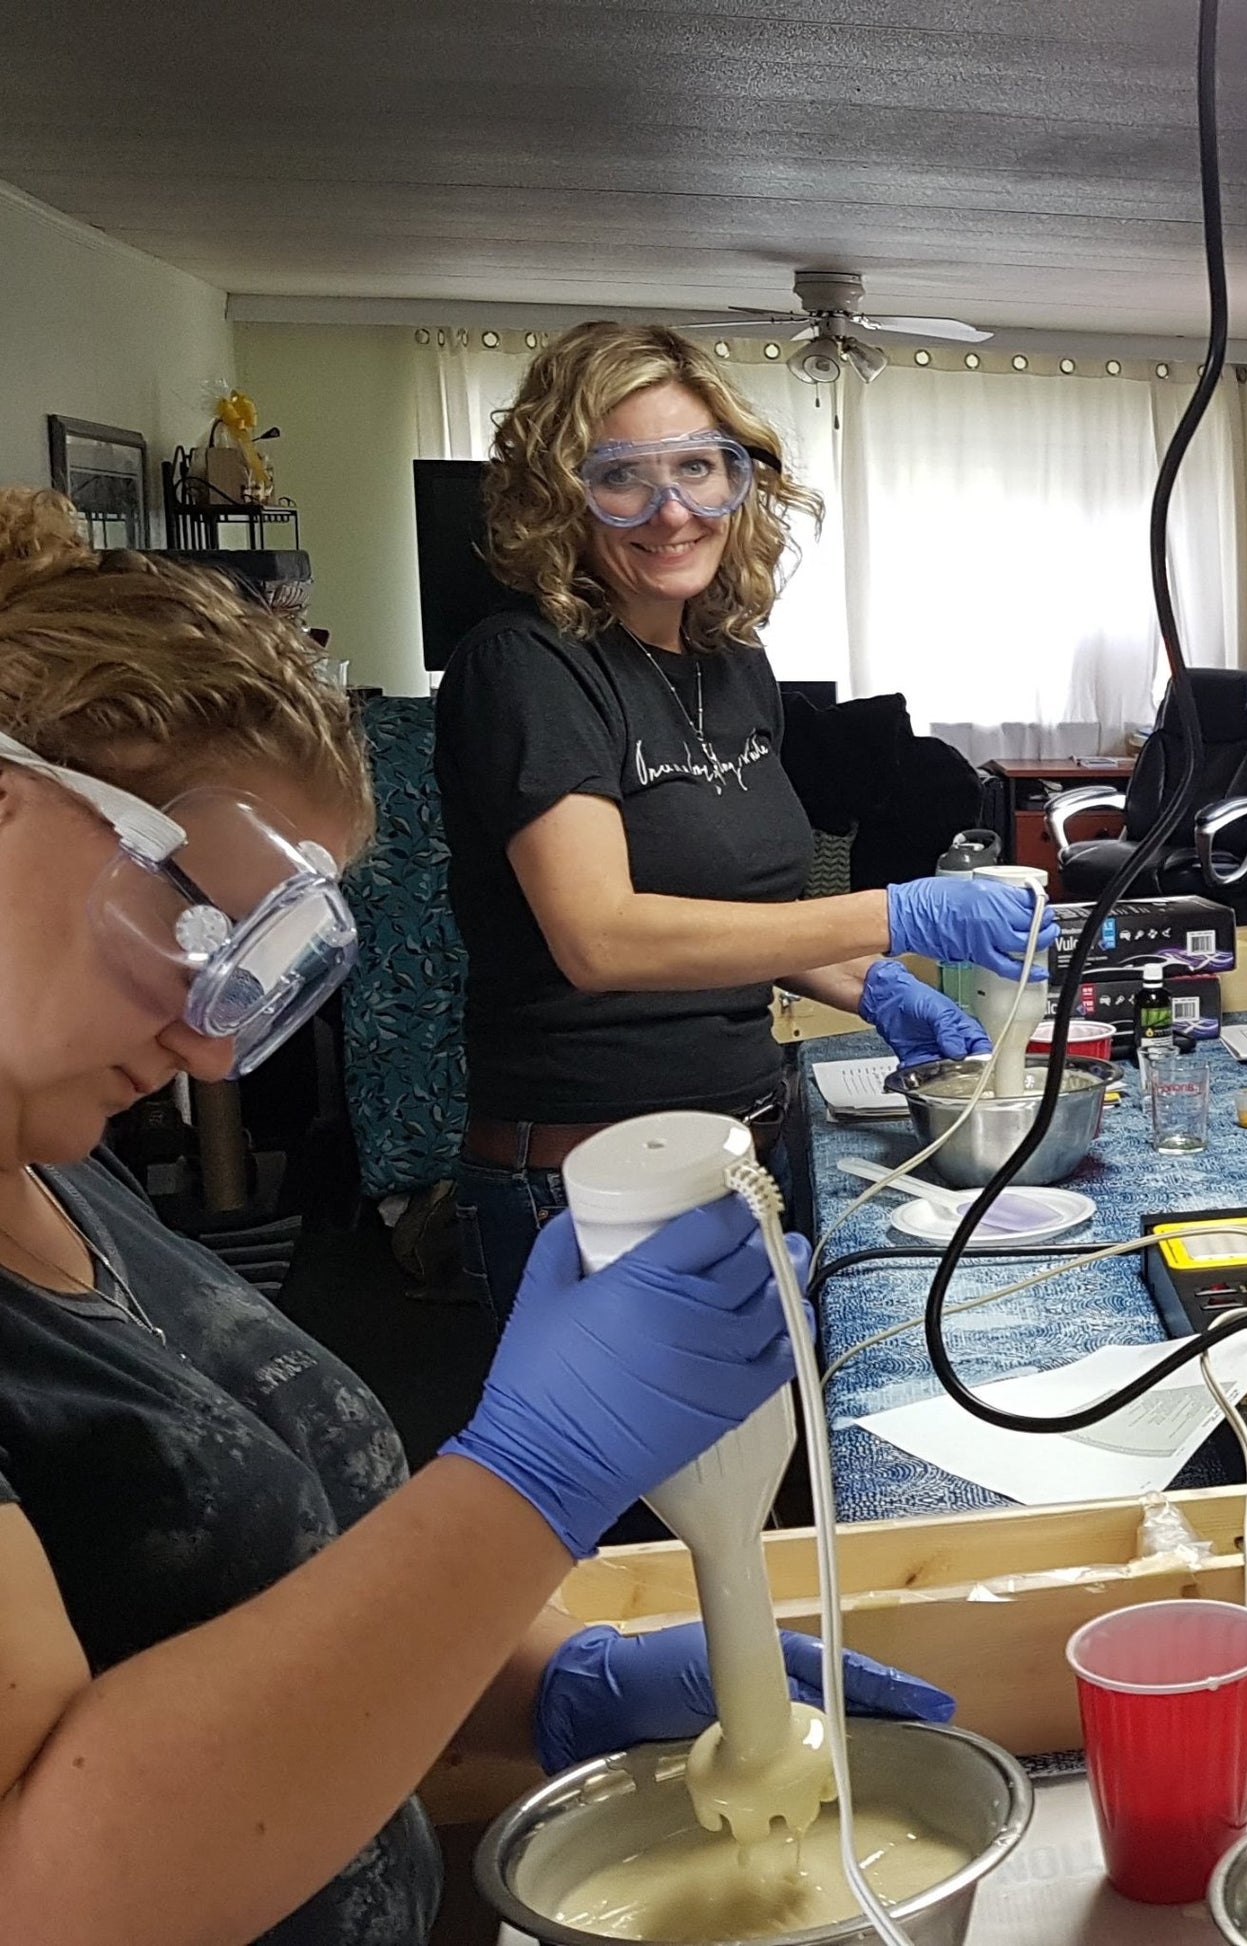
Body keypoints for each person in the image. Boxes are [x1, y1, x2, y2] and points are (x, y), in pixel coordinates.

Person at [0, 489, 948, 1946]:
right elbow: (43, 1887)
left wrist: (542, 1682)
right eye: (191, 927)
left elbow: (230, 1607)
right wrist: (528, 1479)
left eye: (259, 963)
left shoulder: (57, 1163)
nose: (211, 1048)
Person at [436, 322, 1052, 1320]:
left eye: (698, 467)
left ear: (739, 480)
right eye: (623, 476)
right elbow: (600, 937)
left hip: (744, 1148)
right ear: (559, 494)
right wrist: (893, 914)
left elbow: (736, 917)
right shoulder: (527, 667)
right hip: (594, 1183)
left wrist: (870, 984)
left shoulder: (732, 665)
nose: (673, 511)